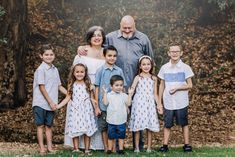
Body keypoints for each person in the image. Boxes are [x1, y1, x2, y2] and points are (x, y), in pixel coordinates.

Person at [77, 15, 154, 150]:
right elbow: (98, 48)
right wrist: (83, 48)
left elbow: (150, 59)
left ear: (134, 25)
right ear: (120, 25)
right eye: (124, 28)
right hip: (115, 86)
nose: (127, 30)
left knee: (139, 113)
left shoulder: (143, 38)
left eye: (130, 28)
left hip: (138, 84)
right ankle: (116, 145)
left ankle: (139, 145)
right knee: (116, 113)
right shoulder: (111, 37)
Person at [70, 26, 106, 150]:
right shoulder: (83, 51)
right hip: (83, 88)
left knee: (97, 114)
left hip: (100, 87)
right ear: (89, 38)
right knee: (82, 115)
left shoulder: (106, 52)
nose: (97, 38)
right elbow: (74, 72)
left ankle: (100, 145)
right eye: (94, 35)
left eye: (99, 35)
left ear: (103, 38)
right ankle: (79, 145)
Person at [157, 44, 194, 153]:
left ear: (181, 53)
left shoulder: (186, 68)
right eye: (172, 51)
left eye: (177, 51)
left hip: (181, 102)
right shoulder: (164, 67)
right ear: (168, 53)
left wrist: (177, 88)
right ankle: (165, 145)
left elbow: (190, 85)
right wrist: (159, 102)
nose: (174, 53)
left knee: (184, 123)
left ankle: (186, 145)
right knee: (167, 124)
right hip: (168, 101)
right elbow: (161, 85)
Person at [32, 44, 67, 154]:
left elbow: (59, 86)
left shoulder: (55, 69)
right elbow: (42, 88)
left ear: (54, 55)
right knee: (40, 125)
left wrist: (70, 93)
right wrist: (51, 102)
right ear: (41, 56)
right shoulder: (41, 70)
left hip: (52, 104)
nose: (49, 56)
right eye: (46, 54)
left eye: (51, 54)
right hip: (41, 103)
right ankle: (42, 148)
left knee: (49, 126)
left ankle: (50, 147)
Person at [56, 63, 98, 154]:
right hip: (76, 110)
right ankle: (76, 148)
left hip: (86, 110)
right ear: (74, 73)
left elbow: (92, 98)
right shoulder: (72, 84)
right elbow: (67, 98)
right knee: (75, 128)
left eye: (82, 72)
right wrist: (58, 106)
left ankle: (87, 149)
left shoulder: (88, 84)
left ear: (85, 73)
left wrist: (96, 108)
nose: (79, 74)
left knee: (87, 129)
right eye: (77, 72)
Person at [95, 45, 126, 152]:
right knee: (104, 127)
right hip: (104, 105)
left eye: (114, 56)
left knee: (116, 125)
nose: (112, 58)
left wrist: (125, 105)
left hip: (117, 106)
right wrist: (97, 106)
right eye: (109, 55)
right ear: (104, 56)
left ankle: (115, 148)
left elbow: (123, 88)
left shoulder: (119, 71)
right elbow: (97, 88)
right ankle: (106, 148)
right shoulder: (100, 70)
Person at [128, 55, 161, 153]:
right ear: (140, 66)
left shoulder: (154, 78)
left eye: (148, 64)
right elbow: (133, 89)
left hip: (150, 103)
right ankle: (137, 148)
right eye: (144, 64)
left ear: (151, 65)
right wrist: (130, 94)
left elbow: (155, 93)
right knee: (138, 126)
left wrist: (159, 104)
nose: (146, 66)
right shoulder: (138, 77)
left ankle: (149, 147)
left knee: (149, 126)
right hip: (139, 103)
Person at [103, 75, 133, 155]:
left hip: (121, 120)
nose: (119, 87)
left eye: (121, 85)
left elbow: (129, 103)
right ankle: (109, 149)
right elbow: (105, 103)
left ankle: (120, 149)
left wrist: (130, 94)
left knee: (121, 136)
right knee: (111, 136)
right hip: (111, 120)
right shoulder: (109, 95)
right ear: (111, 86)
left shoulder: (124, 95)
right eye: (116, 85)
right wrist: (105, 93)